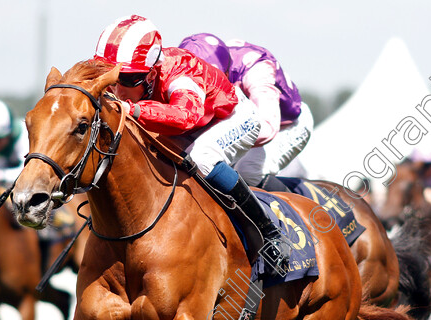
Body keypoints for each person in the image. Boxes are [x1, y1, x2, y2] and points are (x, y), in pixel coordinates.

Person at [94, 15, 290, 272]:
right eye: (112, 78)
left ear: (152, 72)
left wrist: (133, 109)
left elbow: (187, 115)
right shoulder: (138, 75)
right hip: (190, 123)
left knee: (202, 158)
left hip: (230, 118)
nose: (118, 90)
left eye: (129, 80)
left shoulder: (180, 73)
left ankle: (269, 232)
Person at [178, 33, 313, 185]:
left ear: (225, 72)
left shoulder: (257, 71)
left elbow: (267, 127)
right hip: (244, 121)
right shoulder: (203, 60)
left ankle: (281, 208)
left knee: (248, 170)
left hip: (286, 125)